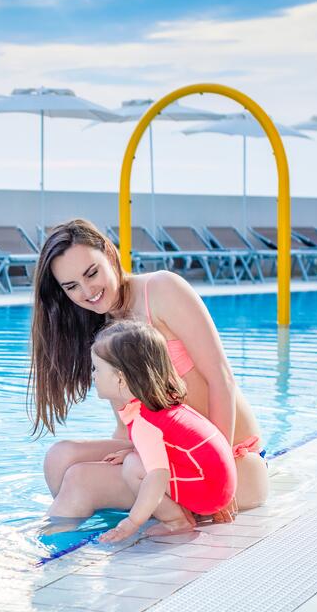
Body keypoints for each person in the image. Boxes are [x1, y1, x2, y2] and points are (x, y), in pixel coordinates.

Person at [30, 218, 268, 523]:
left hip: (228, 458)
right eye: (72, 286)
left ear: (109, 253)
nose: (88, 291)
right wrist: (129, 455)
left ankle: (44, 552)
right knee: (59, 458)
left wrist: (219, 472)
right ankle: (101, 532)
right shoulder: (103, 328)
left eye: (92, 273)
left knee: (80, 483)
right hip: (169, 453)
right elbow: (128, 421)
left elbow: (221, 380)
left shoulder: (162, 290)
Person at [89, 320, 236, 542]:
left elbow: (158, 476)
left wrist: (132, 522)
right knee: (134, 458)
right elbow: (171, 446)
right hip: (220, 486)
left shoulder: (144, 422)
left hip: (210, 493)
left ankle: (176, 521)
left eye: (97, 369)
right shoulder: (159, 403)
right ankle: (184, 511)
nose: (93, 375)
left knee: (133, 467)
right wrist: (133, 450)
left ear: (120, 378)